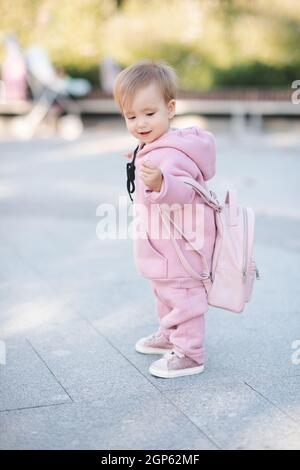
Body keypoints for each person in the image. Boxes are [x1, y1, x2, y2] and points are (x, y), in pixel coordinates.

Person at [113, 59, 216, 379]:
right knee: (163, 292)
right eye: (131, 116)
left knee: (183, 297)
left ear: (170, 108)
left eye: (149, 113)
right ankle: (170, 335)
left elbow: (185, 189)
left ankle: (189, 353)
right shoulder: (154, 145)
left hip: (180, 248)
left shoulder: (171, 153)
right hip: (161, 246)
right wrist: (138, 156)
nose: (140, 123)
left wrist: (162, 183)